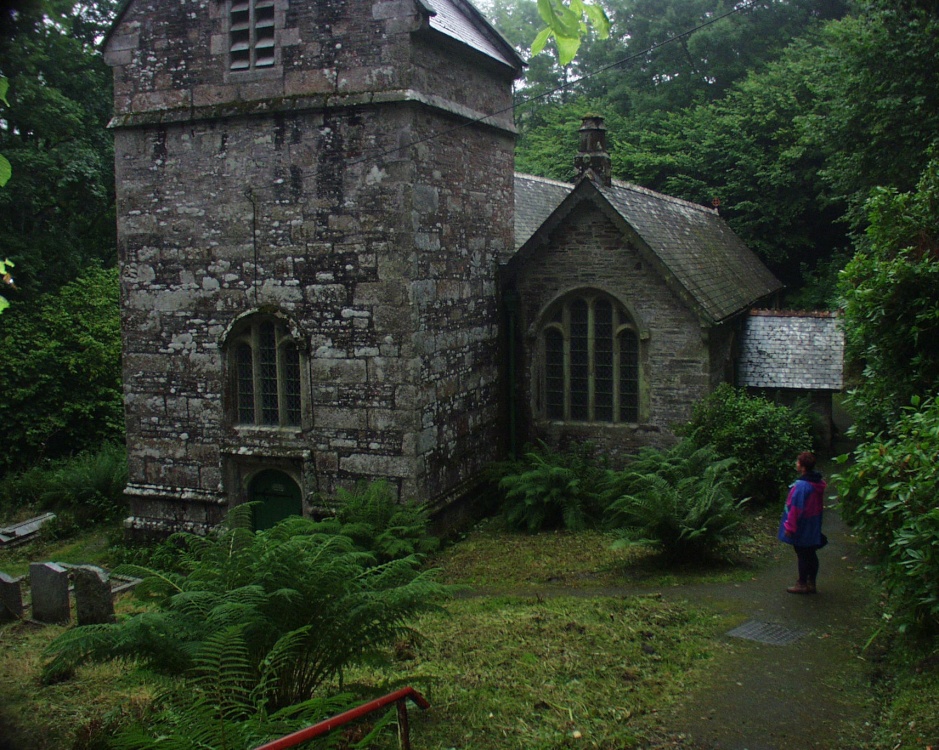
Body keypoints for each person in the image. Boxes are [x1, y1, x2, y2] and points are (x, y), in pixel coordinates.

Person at [777, 451, 826, 594]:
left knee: (802, 552)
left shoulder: (802, 486)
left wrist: (789, 527)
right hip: (813, 521)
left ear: (803, 467)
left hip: (802, 524)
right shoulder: (817, 482)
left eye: (798, 462)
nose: (796, 464)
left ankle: (802, 583)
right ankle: (812, 582)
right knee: (811, 552)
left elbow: (795, 508)